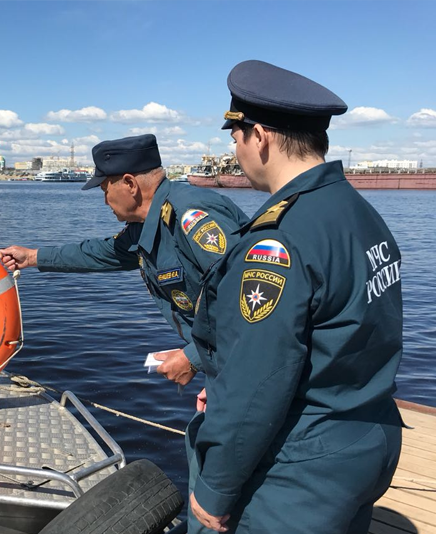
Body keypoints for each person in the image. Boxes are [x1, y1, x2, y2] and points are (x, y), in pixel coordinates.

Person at [186, 60, 403, 533]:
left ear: (260, 136)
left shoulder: (278, 241)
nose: (235, 149)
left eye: (236, 137)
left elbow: (258, 377)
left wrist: (216, 485)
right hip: (368, 437)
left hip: (303, 465)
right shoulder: (358, 213)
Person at [0, 134, 249, 382]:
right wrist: (32, 257)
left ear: (130, 183)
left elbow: (250, 297)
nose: (104, 201)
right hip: (230, 360)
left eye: (105, 190)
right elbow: (100, 253)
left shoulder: (190, 216)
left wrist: (193, 359)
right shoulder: (147, 224)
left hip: (252, 361)